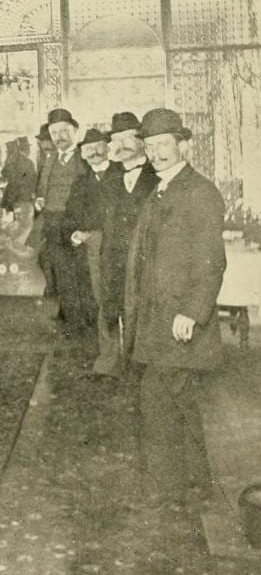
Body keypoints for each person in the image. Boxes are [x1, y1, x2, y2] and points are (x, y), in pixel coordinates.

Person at [124, 108, 226, 502]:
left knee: (158, 400)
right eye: (150, 146)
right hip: (157, 317)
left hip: (178, 319)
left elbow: (211, 261)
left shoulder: (199, 192)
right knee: (178, 400)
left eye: (164, 144)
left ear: (182, 144)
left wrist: (192, 311)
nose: (157, 153)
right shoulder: (161, 189)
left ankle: (164, 489)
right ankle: (198, 481)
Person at [93, 112, 159, 377]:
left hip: (146, 257)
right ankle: (110, 364)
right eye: (115, 139)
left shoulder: (158, 176)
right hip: (113, 256)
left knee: (142, 310)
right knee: (110, 308)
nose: (119, 145)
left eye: (126, 138)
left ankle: (142, 367)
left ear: (142, 141)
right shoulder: (110, 177)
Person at [35, 107, 89, 336]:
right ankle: (67, 313)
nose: (59, 136)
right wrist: (40, 198)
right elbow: (43, 185)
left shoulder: (83, 156)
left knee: (79, 271)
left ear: (74, 130)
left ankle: (82, 319)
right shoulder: (51, 158)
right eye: (54, 132)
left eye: (64, 131)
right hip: (52, 223)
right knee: (59, 271)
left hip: (75, 223)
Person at [61, 128, 113, 345]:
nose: (93, 152)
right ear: (82, 153)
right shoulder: (80, 182)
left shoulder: (121, 174)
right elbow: (70, 216)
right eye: (88, 149)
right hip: (89, 251)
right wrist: (73, 235)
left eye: (98, 146)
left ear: (108, 148)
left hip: (115, 248)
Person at [0, 137, 37, 215]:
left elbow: (4, 173)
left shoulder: (11, 161)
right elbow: (34, 181)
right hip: (24, 198)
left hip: (11, 198)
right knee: (24, 222)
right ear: (27, 149)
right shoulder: (29, 163)